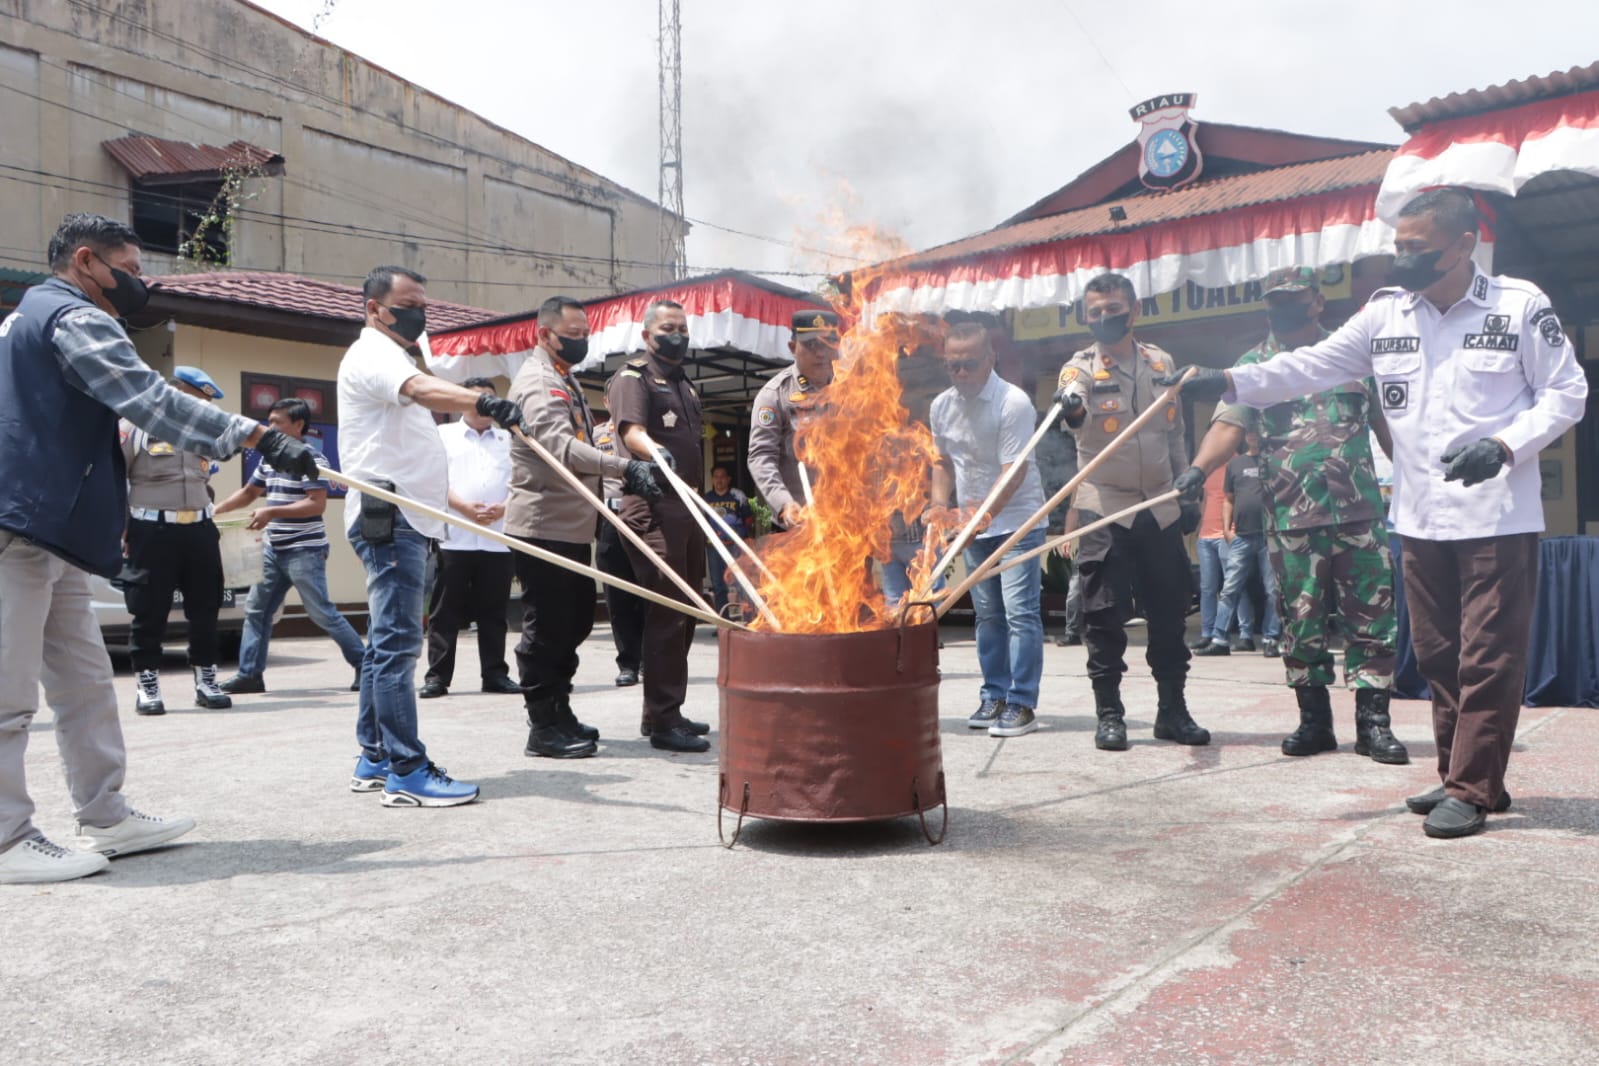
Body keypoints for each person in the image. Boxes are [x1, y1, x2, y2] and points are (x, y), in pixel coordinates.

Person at [1168, 190, 1587, 837]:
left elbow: (1566, 393)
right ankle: (1464, 776)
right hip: (1418, 520)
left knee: (1488, 657)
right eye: (1398, 247)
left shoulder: (1517, 306)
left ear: (1461, 245)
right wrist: (1226, 382)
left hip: (1495, 516)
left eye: (1416, 249)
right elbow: (1307, 368)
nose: (1403, 259)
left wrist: (1504, 444)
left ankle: (1471, 789)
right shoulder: (1384, 316)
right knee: (1440, 655)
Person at [0, 212, 319, 884]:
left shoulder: (29, 318)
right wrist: (256, 437)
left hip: (48, 529)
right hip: (19, 526)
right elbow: (146, 399)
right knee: (8, 694)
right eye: (132, 269)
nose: (140, 284)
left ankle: (106, 815)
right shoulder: (72, 316)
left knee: (84, 681)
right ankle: (6, 839)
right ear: (86, 261)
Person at [1175, 266, 1405, 765]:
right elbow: (1227, 428)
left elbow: (1391, 430)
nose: (1283, 309)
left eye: (1293, 299)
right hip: (1291, 521)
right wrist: (1197, 470)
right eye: (1274, 302)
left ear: (1317, 302)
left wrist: (1417, 481)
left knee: (1372, 620)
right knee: (1301, 623)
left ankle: (1374, 725)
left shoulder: (1354, 355)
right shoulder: (1254, 364)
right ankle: (1314, 722)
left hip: (1360, 516)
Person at [338, 265, 525, 807]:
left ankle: (374, 755)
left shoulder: (391, 353)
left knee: (382, 645)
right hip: (389, 514)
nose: (419, 312)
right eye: (407, 303)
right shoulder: (375, 354)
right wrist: (482, 401)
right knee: (398, 646)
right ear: (375, 308)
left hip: (402, 515)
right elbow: (421, 390)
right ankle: (406, 770)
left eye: (423, 302)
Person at [1053, 272, 1209, 752]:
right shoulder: (1078, 368)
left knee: (1168, 614)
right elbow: (1073, 405)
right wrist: (1071, 408)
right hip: (1106, 507)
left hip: (1159, 504)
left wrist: (1189, 492)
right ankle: (1110, 714)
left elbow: (1174, 432)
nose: (1105, 318)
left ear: (1134, 310)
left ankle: (1172, 711)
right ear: (1086, 316)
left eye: (1114, 309)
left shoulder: (1160, 361)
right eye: (1095, 312)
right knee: (1102, 618)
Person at [505, 296, 662, 758]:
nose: (580, 342)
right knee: (548, 625)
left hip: (572, 524)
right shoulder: (538, 382)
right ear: (543, 334)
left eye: (584, 334)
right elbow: (559, 449)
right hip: (542, 523)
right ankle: (542, 724)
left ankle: (560, 708)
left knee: (572, 621)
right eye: (571, 336)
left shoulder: (564, 377)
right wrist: (624, 469)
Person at [931, 321, 1047, 738]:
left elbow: (1012, 473)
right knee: (988, 616)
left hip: (1017, 521)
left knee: (1020, 614)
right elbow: (942, 462)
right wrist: (939, 506)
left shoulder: (1012, 403)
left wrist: (977, 519)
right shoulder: (941, 406)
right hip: (972, 526)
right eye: (952, 366)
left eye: (969, 365)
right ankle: (994, 694)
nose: (960, 374)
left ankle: (1021, 702)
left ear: (990, 360)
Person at [608, 299, 713, 753]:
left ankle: (663, 711)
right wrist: (654, 451)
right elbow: (630, 430)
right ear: (648, 335)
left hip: (686, 507)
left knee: (688, 608)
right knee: (667, 609)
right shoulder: (634, 378)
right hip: (652, 505)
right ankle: (664, 719)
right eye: (669, 328)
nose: (679, 336)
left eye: (684, 329)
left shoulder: (685, 385)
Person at [215, 398, 366, 695]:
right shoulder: (269, 457)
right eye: (269, 421)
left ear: (298, 426)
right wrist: (214, 512)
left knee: (321, 612)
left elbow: (316, 504)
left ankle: (365, 664)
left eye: (277, 422)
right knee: (257, 611)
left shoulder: (312, 459)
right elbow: (249, 493)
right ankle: (250, 675)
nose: (270, 427)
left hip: (304, 550)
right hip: (273, 548)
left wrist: (271, 512)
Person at [120, 365, 234, 714]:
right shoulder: (137, 423)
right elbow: (116, 477)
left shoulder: (202, 429)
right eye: (198, 399)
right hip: (153, 530)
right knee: (149, 610)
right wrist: (122, 528)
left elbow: (205, 476)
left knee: (206, 607)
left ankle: (206, 680)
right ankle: (148, 684)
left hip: (199, 529)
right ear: (179, 390)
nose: (202, 407)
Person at [418, 378, 520, 700]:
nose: (487, 407)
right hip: (454, 538)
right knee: (445, 613)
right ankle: (437, 678)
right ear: (464, 402)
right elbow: (429, 479)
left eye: (492, 400)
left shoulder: (508, 438)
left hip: (497, 539)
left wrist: (505, 506)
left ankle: (495, 674)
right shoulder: (442, 435)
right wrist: (462, 507)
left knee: (494, 613)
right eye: (480, 400)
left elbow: (522, 481)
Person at [748, 310, 841, 528]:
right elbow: (761, 456)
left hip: (843, 521)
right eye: (812, 345)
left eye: (828, 343)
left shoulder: (851, 388)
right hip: (798, 524)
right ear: (792, 348)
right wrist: (784, 503)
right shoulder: (775, 394)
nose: (821, 353)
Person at [1195, 429, 1283, 657]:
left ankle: (1271, 638)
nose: (1253, 436)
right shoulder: (1236, 464)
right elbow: (1228, 499)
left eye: (1257, 433)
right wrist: (1226, 528)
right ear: (1245, 436)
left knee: (1273, 590)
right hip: (1241, 536)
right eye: (1250, 433)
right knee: (1229, 589)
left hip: (1269, 536)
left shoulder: (1275, 460)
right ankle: (1219, 639)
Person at [594, 419, 646, 687]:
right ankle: (628, 664)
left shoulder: (643, 429)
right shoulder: (597, 434)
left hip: (643, 516)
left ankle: (649, 660)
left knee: (648, 592)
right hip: (609, 516)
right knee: (617, 596)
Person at [701, 465, 753, 614]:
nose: (719, 480)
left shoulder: (738, 496)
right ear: (712, 479)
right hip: (714, 547)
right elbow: (702, 522)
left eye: (722, 476)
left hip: (735, 546)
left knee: (741, 583)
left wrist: (744, 538)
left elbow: (748, 519)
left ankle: (749, 620)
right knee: (718, 586)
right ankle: (723, 623)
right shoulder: (706, 499)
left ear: (728, 479)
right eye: (716, 477)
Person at [1189, 465, 1229, 650]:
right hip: (1206, 536)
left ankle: (1241, 634)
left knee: (1233, 589)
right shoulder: (1208, 467)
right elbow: (1206, 499)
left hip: (1226, 536)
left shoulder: (1236, 463)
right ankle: (1208, 633)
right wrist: (1200, 526)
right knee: (1207, 588)